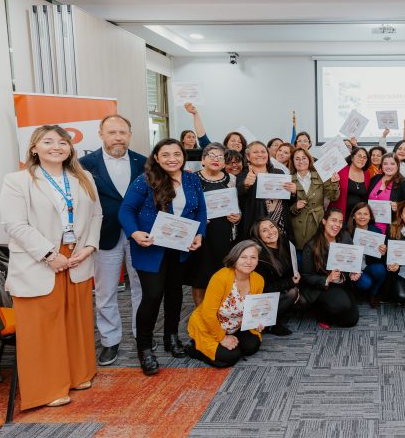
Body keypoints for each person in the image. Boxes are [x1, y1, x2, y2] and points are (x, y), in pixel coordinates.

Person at [0, 125, 102, 409]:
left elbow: (96, 214)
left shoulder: (83, 178)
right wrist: (49, 254)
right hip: (39, 259)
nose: (56, 147)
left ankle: (78, 374)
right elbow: (14, 224)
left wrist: (90, 247)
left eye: (62, 142)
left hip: (76, 258)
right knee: (43, 326)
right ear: (34, 148)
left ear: (70, 148)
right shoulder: (17, 180)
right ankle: (47, 389)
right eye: (47, 142)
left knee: (75, 320)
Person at [118, 138, 207, 376]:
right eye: (165, 154)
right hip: (150, 247)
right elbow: (126, 209)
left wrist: (199, 233)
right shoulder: (145, 180)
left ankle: (171, 337)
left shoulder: (191, 180)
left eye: (176, 154)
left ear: (184, 156)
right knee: (153, 295)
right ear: (156, 158)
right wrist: (134, 233)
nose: (172, 159)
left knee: (175, 292)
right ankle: (144, 347)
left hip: (179, 247)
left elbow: (201, 209)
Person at [79, 114, 147, 366]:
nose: (118, 137)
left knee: (141, 288)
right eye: (112, 132)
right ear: (101, 134)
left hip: (139, 235)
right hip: (104, 234)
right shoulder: (84, 164)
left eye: (122, 132)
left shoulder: (144, 162)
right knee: (105, 291)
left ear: (129, 135)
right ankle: (110, 340)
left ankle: (142, 335)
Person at [187, 240, 264, 367]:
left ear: (257, 260)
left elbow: (253, 309)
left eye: (253, 257)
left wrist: (256, 322)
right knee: (230, 357)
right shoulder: (220, 278)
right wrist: (222, 338)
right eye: (243, 257)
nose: (249, 262)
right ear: (235, 258)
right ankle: (194, 348)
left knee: (251, 346)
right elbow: (208, 315)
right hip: (209, 326)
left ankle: (230, 341)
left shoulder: (258, 280)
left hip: (235, 324)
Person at [186, 143, 240, 307]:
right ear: (203, 160)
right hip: (200, 234)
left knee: (222, 274)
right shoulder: (192, 179)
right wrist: (196, 219)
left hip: (224, 234)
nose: (216, 159)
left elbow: (236, 205)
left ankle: (219, 312)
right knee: (200, 277)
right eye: (212, 156)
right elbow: (185, 206)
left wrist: (237, 217)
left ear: (224, 163)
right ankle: (201, 312)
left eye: (220, 157)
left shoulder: (231, 179)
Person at [299, 208, 361, 328]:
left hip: (340, 283)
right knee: (342, 305)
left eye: (340, 221)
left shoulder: (345, 237)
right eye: (333, 220)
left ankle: (335, 307)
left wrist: (352, 272)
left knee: (351, 320)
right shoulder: (311, 246)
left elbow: (351, 261)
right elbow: (307, 276)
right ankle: (320, 314)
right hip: (322, 286)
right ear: (324, 221)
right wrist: (328, 279)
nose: (337, 225)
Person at [236, 141, 296, 242]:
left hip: (280, 226)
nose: (260, 154)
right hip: (256, 228)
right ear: (248, 156)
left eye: (263, 152)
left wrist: (293, 192)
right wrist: (245, 185)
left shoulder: (279, 173)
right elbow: (239, 199)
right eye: (255, 152)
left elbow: (288, 202)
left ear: (268, 155)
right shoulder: (242, 176)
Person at [252, 218, 303, 336]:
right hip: (264, 298)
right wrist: (290, 283)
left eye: (272, 227)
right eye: (264, 230)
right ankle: (270, 324)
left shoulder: (285, 244)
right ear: (259, 236)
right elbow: (264, 289)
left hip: (281, 288)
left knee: (305, 302)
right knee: (292, 293)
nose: (270, 232)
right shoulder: (259, 258)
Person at [289, 147, 340, 250]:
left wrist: (334, 183)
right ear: (293, 162)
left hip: (318, 222)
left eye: (304, 158)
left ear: (309, 160)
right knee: (301, 255)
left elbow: (333, 197)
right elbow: (284, 207)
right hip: (298, 227)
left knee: (319, 252)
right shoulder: (288, 179)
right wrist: (295, 206)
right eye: (297, 159)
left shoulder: (321, 176)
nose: (301, 161)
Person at [347, 203, 387, 308]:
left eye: (365, 214)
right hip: (352, 268)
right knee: (365, 283)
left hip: (368, 266)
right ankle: (355, 289)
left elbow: (380, 260)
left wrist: (382, 252)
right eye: (359, 213)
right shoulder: (346, 231)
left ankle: (373, 293)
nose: (362, 216)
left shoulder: (376, 231)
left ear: (370, 217)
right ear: (353, 216)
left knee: (380, 270)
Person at [368, 153, 405, 232]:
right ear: (381, 166)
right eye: (385, 164)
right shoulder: (375, 179)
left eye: (392, 164)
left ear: (397, 166)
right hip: (370, 225)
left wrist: (399, 206)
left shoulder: (403, 183)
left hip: (391, 228)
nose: (388, 167)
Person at [183, 103, 247, 160]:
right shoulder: (218, 154)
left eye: (240, 142)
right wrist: (195, 114)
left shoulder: (247, 160)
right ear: (226, 143)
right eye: (233, 140)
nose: (237, 143)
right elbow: (202, 137)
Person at [330, 146, 371, 220]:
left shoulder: (366, 174)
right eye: (359, 156)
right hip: (339, 216)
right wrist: (334, 183)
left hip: (358, 218)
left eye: (365, 157)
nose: (362, 159)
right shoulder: (340, 170)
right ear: (352, 158)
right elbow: (331, 194)